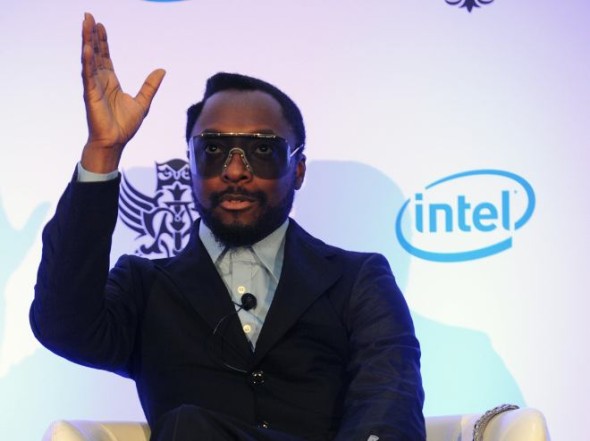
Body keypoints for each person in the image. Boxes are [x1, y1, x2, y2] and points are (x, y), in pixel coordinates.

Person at [30, 12, 425, 441]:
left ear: (298, 170)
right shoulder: (145, 287)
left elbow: (389, 398)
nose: (235, 171)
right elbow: (63, 326)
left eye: (262, 150)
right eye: (213, 150)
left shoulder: (358, 279)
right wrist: (103, 152)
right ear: (190, 167)